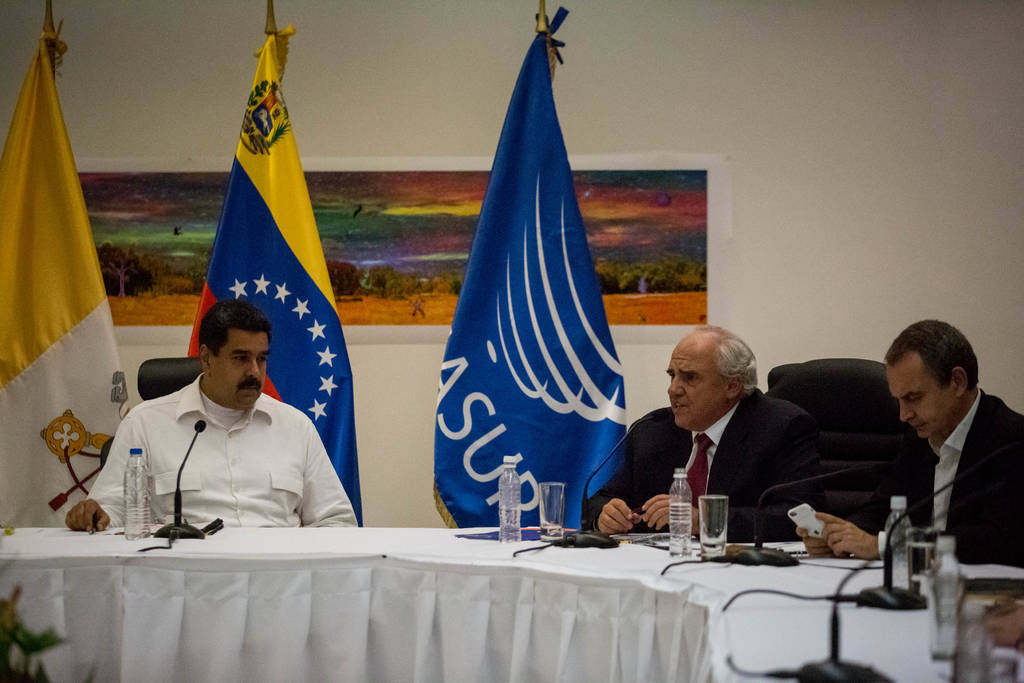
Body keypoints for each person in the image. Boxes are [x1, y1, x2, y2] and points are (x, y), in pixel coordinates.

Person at [66, 300, 357, 532]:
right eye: (241, 358)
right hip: (184, 579)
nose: (255, 372)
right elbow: (110, 514)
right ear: (206, 358)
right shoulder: (145, 424)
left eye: (261, 359)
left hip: (279, 580)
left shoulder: (295, 427)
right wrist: (92, 514)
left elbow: (336, 520)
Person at [799, 320, 1024, 566]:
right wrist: (839, 534)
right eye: (899, 400)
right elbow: (883, 508)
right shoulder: (919, 437)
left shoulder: (1012, 439)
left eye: (913, 398)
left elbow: (997, 539)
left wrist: (885, 545)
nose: (903, 415)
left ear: (957, 382)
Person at [583, 326, 823, 542]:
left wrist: (705, 521)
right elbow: (603, 498)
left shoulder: (782, 427)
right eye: (672, 375)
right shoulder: (653, 429)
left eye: (689, 377)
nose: (673, 389)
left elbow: (801, 516)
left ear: (732, 386)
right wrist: (604, 515)